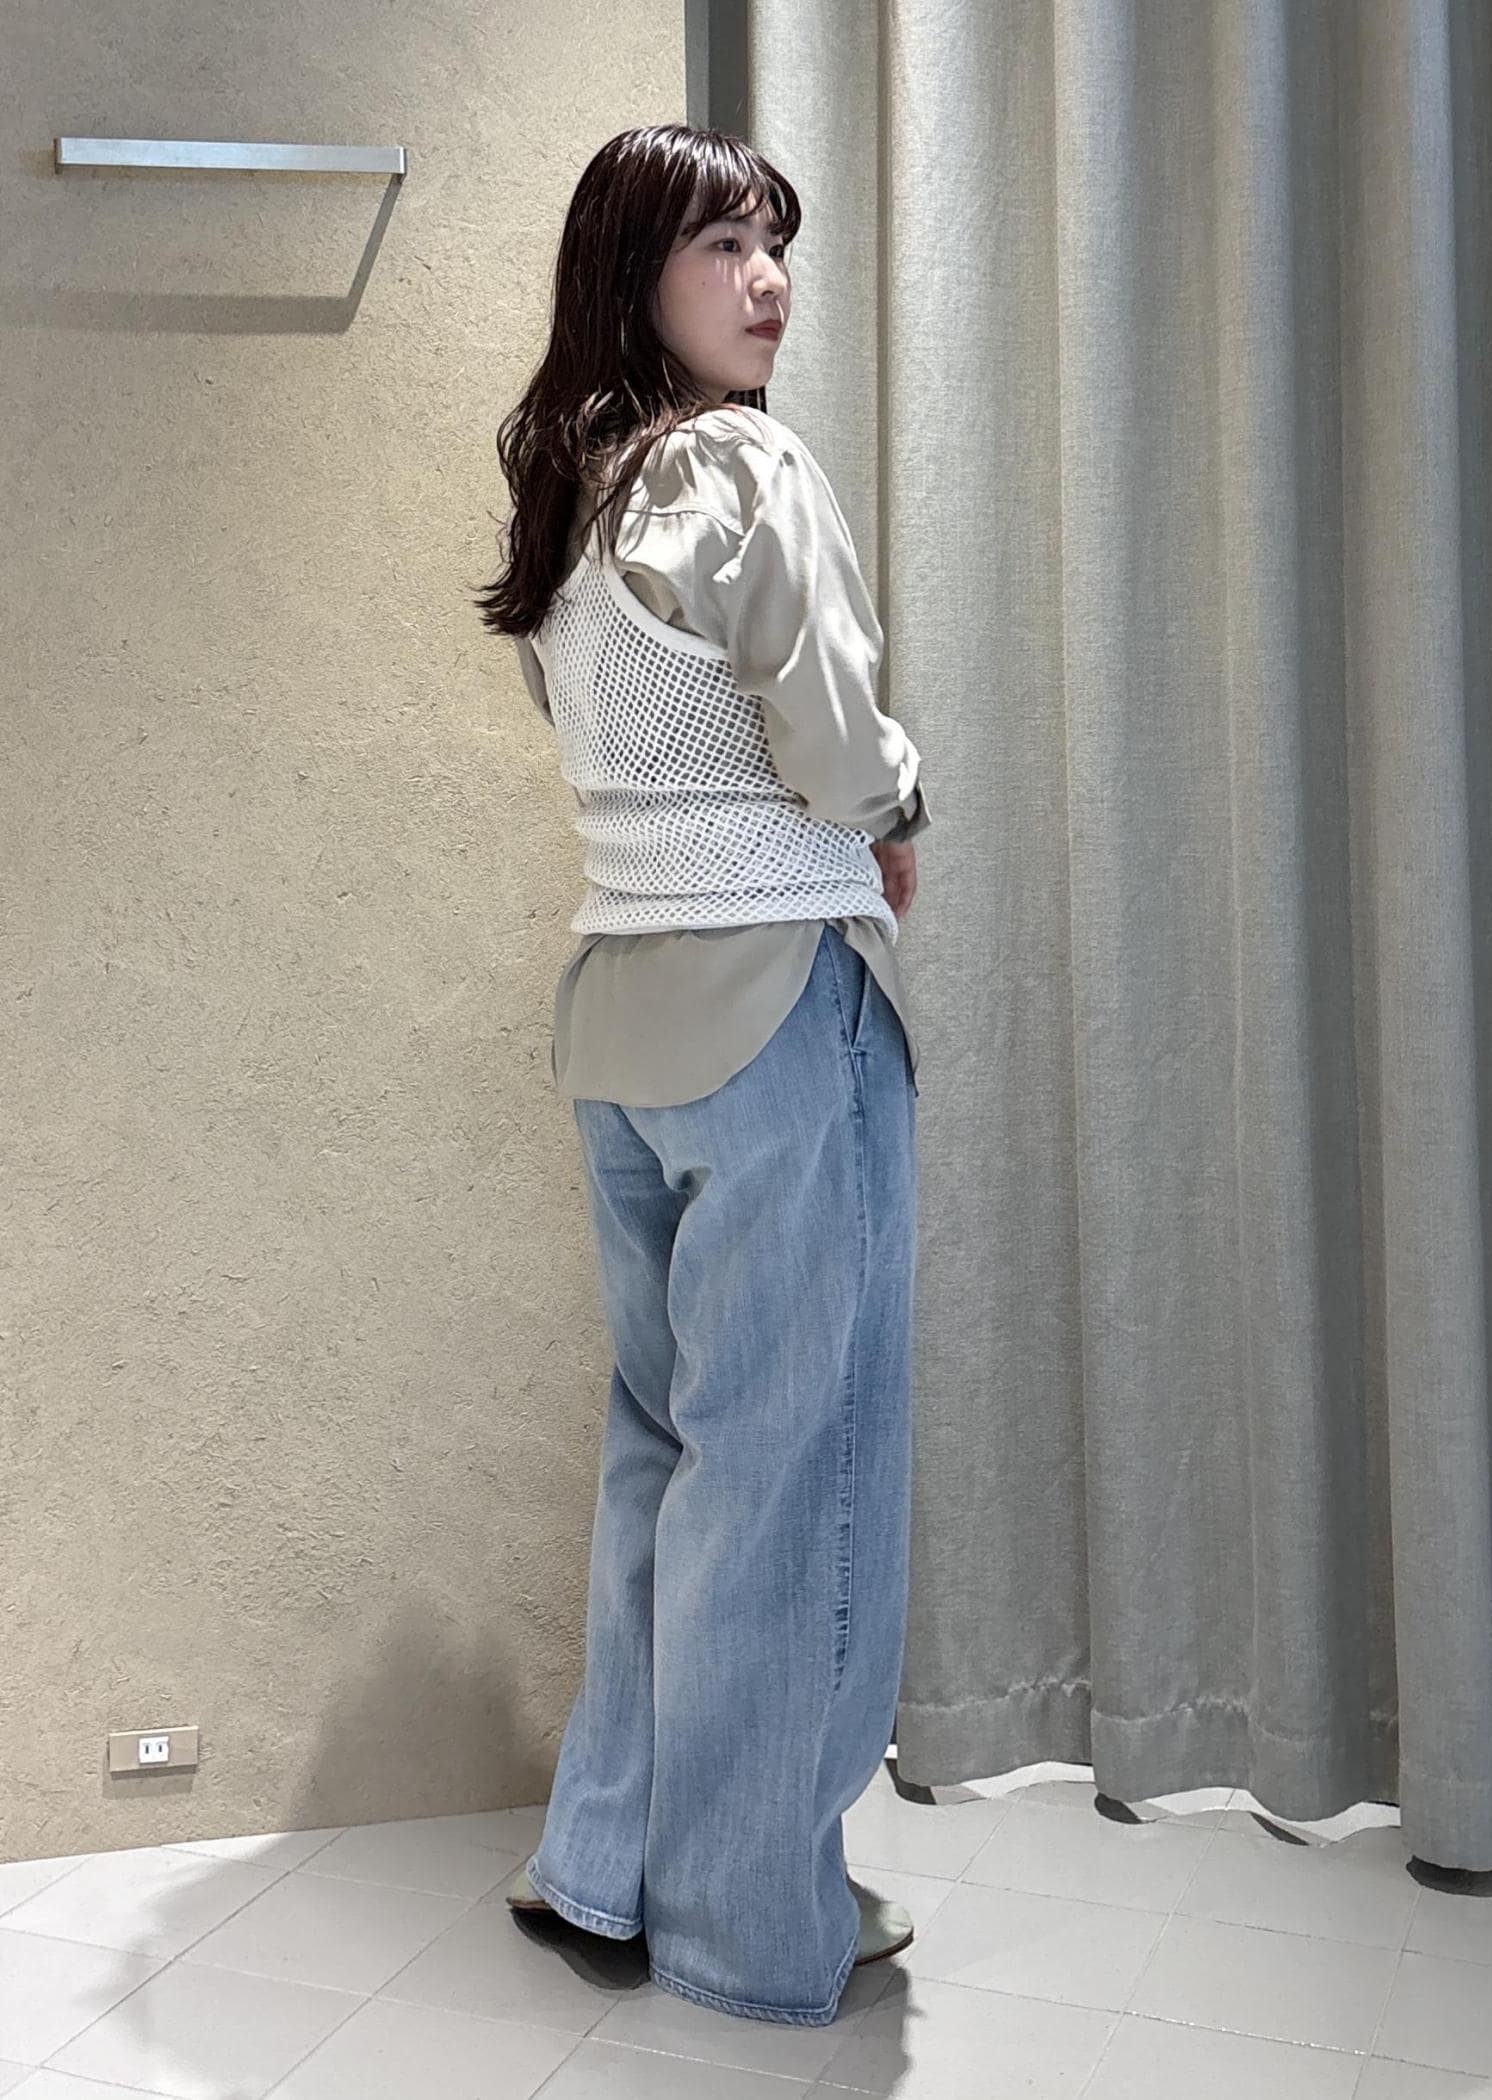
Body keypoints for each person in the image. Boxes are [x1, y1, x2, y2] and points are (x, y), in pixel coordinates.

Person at [471, 120, 931, 2031]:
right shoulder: (738, 464)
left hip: (620, 1022)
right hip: (774, 1005)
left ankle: (607, 1862)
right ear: (632, 267)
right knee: (797, 1469)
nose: (768, 282)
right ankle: (751, 1921)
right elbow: (830, 741)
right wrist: (900, 806)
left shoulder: (571, 493)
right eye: (723, 243)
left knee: (667, 1449)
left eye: (775, 243)